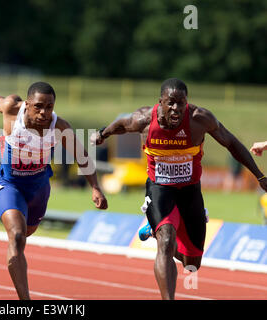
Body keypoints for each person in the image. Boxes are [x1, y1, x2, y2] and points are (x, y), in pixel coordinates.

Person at [90, 78, 267, 300]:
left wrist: (259, 175)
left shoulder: (199, 119)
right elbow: (121, 125)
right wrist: (102, 134)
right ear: (160, 102)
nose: (176, 109)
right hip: (160, 188)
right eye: (170, 103)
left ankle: (159, 230)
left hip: (190, 191)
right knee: (166, 240)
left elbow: (230, 142)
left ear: (187, 102)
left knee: (191, 263)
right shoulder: (144, 119)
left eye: (181, 103)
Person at [0, 82, 108, 300]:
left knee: (26, 232)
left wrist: (95, 187)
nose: (44, 112)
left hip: (39, 186)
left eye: (50, 107)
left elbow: (81, 155)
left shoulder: (60, 126)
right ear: (27, 104)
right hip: (11, 184)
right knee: (16, 237)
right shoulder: (12, 109)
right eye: (38, 106)